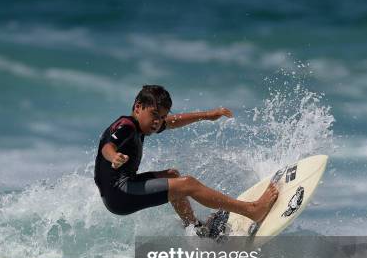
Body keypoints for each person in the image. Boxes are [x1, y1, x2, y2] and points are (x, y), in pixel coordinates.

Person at [93, 85, 278, 237]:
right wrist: (114, 157)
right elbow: (107, 147)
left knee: (173, 176)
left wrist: (207, 115)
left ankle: (196, 228)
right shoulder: (126, 126)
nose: (158, 122)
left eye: (161, 117)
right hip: (120, 194)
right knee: (188, 184)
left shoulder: (141, 125)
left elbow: (172, 122)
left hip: (120, 190)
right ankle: (252, 210)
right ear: (138, 107)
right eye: (155, 115)